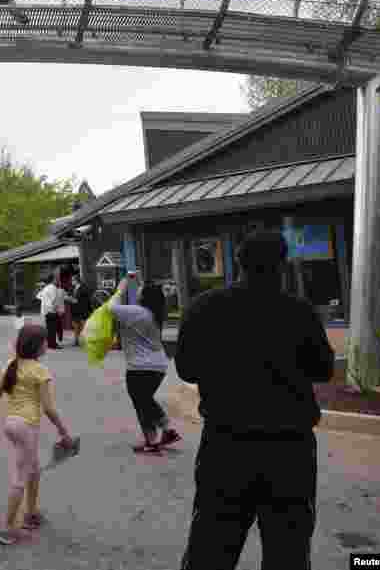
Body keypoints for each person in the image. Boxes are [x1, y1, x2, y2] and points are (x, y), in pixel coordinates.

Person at [176, 231, 334, 570]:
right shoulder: (298, 311)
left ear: (239, 262)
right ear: (282, 263)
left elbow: (187, 370)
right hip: (289, 450)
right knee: (288, 549)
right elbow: (323, 369)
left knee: (211, 546)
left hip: (226, 445)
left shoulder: (204, 307)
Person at [0, 323, 75, 545]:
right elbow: (49, 408)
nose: (47, 344)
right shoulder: (40, 371)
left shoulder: (11, 364)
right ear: (38, 346)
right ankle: (6, 529)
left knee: (34, 469)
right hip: (26, 427)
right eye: (45, 341)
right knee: (21, 477)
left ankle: (31, 514)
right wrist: (64, 432)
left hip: (11, 424)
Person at [108, 275, 179, 454]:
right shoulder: (153, 312)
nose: (137, 291)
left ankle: (152, 440)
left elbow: (111, 307)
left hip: (140, 367)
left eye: (139, 291)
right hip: (158, 366)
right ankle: (166, 430)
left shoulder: (136, 312)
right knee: (146, 400)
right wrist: (138, 282)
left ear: (144, 296)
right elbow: (147, 294)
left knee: (141, 403)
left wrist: (121, 287)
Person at [36, 280, 66, 348]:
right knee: (52, 329)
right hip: (52, 311)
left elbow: (40, 297)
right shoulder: (52, 288)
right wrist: (57, 309)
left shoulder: (46, 288)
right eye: (57, 280)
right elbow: (54, 301)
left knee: (49, 329)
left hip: (47, 311)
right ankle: (52, 344)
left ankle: (49, 343)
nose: (59, 282)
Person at [70, 279, 94, 346]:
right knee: (76, 326)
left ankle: (85, 341)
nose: (72, 282)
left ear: (77, 280)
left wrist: (76, 300)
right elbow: (72, 296)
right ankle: (76, 341)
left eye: (73, 280)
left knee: (84, 326)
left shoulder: (84, 288)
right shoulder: (72, 288)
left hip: (82, 310)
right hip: (74, 310)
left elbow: (85, 300)